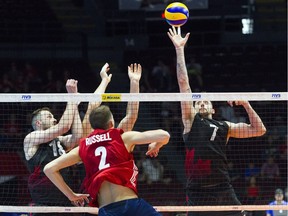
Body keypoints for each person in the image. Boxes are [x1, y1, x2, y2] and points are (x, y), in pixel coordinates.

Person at [167, 26, 267, 216]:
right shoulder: (190, 121)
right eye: (198, 102)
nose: (202, 103)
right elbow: (183, 84)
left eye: (206, 101)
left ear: (213, 109)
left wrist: (246, 104)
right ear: (194, 108)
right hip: (197, 192)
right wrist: (179, 50)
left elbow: (259, 130)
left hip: (222, 189)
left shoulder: (224, 127)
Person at [44, 104, 170, 216]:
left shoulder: (82, 147)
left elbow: (49, 169)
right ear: (111, 124)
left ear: (93, 126)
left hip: (107, 210)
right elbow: (164, 135)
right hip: (132, 206)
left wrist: (71, 195)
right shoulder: (123, 137)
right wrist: (156, 145)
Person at [23, 79, 83, 215]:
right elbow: (64, 126)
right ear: (38, 122)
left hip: (66, 201)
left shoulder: (59, 141)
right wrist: (71, 98)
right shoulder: (31, 138)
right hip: (45, 206)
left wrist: (75, 105)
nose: (54, 119)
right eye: (49, 117)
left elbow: (77, 137)